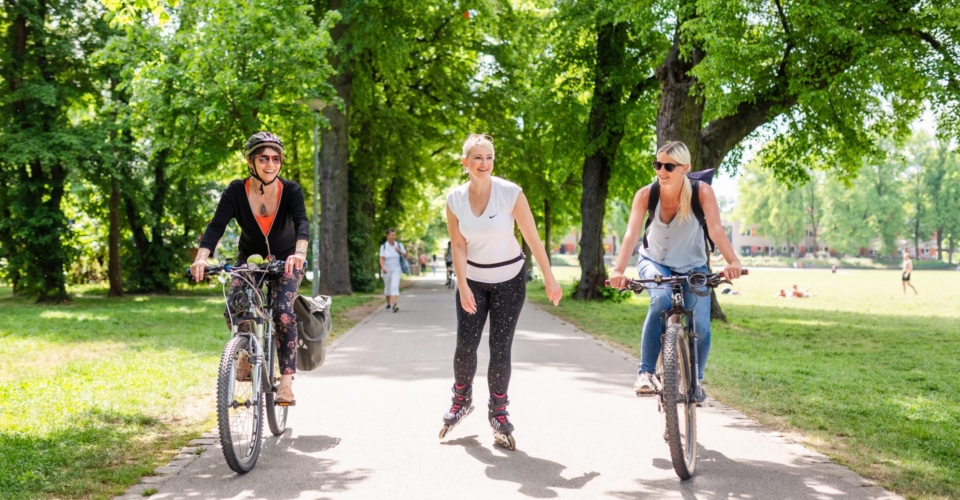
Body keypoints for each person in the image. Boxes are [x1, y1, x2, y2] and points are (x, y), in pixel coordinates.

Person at [440, 133, 563, 446]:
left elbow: (532, 237)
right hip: (474, 282)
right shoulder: (454, 199)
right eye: (477, 157)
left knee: (500, 346)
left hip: (509, 279)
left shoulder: (510, 193)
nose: (484, 163)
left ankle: (499, 411)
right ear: (465, 162)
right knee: (466, 344)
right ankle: (461, 398)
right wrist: (463, 285)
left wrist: (549, 277)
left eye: (489, 157)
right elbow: (458, 244)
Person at [609, 141, 742, 405]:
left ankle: (697, 379)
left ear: (685, 168)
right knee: (661, 300)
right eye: (657, 164)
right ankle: (646, 373)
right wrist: (618, 270)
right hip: (654, 261)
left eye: (668, 166)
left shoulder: (702, 192)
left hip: (693, 266)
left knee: (701, 327)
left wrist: (733, 260)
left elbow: (715, 229)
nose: (661, 170)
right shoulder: (646, 195)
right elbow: (631, 235)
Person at [190, 132, 308, 405]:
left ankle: (286, 384)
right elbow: (216, 227)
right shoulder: (235, 191)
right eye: (264, 158)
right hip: (250, 258)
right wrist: (201, 258)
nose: (271, 164)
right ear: (250, 161)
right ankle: (244, 353)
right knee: (236, 305)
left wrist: (299, 253)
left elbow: (302, 223)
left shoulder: (290, 190)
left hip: (288, 258)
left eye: (276, 159)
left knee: (282, 311)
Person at [379, 229, 409, 312]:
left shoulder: (399, 245)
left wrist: (399, 251)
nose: (394, 237)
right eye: (392, 235)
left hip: (397, 268)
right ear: (387, 236)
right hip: (386, 269)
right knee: (388, 287)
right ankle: (388, 304)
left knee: (394, 286)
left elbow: (406, 256)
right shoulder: (384, 247)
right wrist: (383, 267)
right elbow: (381, 258)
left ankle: (395, 304)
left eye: (394, 235)